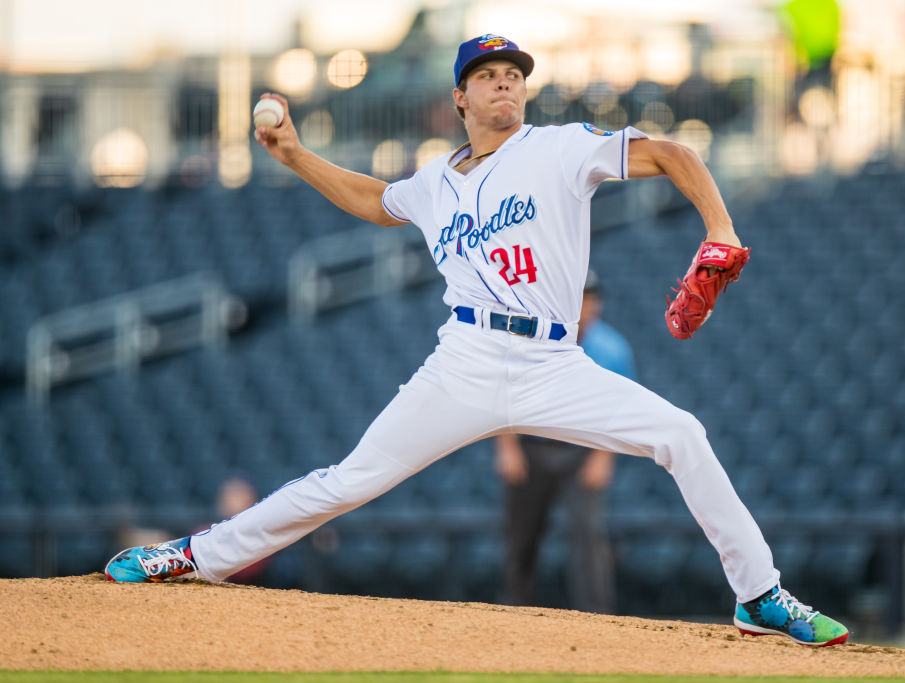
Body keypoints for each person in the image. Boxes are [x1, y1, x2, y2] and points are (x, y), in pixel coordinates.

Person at [104, 34, 849, 647]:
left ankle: (758, 593)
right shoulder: (435, 182)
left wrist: (720, 229)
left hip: (554, 362)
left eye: (513, 76)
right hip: (462, 360)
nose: (505, 86)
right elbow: (374, 199)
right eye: (487, 77)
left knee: (681, 433)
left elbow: (670, 154)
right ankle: (195, 555)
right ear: (459, 97)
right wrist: (296, 155)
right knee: (347, 480)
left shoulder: (560, 148)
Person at [497, 269, 634, 613]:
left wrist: (603, 459)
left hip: (581, 451)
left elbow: (619, 410)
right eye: (581, 297)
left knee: (588, 534)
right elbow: (504, 393)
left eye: (592, 298)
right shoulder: (535, 339)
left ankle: (596, 615)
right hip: (532, 446)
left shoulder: (611, 348)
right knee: (522, 536)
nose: (587, 305)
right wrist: (507, 448)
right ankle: (515, 609)